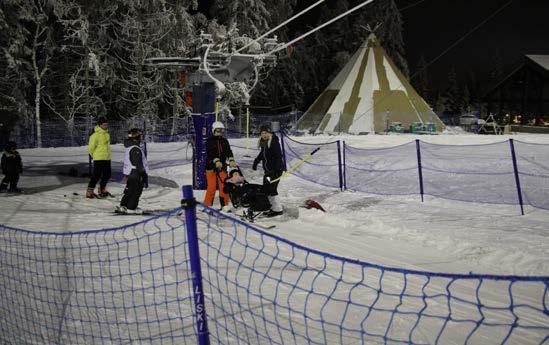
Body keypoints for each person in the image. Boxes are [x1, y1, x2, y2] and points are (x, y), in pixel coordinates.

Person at [204, 121, 237, 211]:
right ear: (213, 131)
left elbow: (228, 151)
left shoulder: (224, 141)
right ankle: (207, 205)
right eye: (217, 131)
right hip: (211, 167)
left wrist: (231, 159)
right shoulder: (209, 141)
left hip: (222, 167)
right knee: (211, 187)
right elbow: (210, 153)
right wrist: (216, 161)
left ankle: (224, 205)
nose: (219, 133)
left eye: (221, 131)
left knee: (224, 186)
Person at [252, 125, 284, 217]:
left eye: (265, 133)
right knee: (266, 189)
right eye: (262, 133)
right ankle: (271, 207)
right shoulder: (264, 142)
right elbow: (263, 153)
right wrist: (256, 161)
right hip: (268, 171)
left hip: (276, 170)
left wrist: (275, 169)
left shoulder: (273, 141)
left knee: (272, 189)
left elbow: (278, 156)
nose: (264, 135)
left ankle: (278, 210)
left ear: (269, 133)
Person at [116, 128, 149, 214]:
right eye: (140, 136)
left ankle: (124, 205)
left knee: (130, 190)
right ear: (136, 137)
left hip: (131, 172)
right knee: (136, 190)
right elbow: (138, 163)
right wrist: (143, 174)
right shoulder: (135, 149)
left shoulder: (130, 146)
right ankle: (131, 207)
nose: (141, 138)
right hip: (136, 173)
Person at [87, 117, 112, 198]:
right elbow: (91, 147)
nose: (106, 126)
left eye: (107, 124)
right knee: (96, 175)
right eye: (104, 124)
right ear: (100, 125)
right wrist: (93, 155)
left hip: (107, 158)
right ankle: (89, 191)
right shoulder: (95, 135)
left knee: (107, 175)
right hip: (98, 158)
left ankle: (101, 189)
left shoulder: (107, 134)